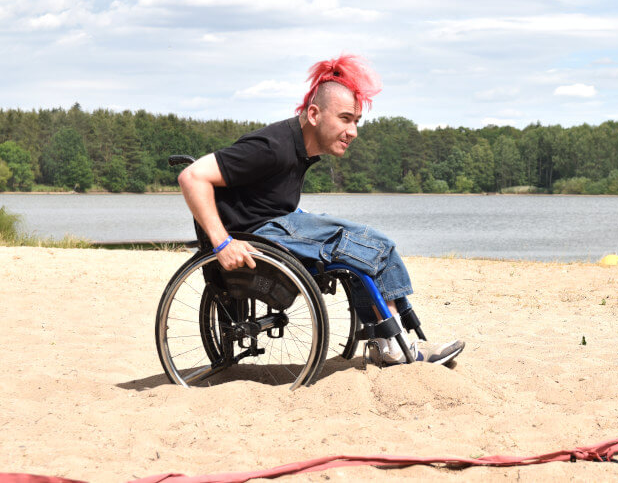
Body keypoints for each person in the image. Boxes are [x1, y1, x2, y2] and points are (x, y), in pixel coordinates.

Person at [177, 54, 464, 366]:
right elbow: (192, 176)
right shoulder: (272, 147)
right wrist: (222, 243)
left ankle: (396, 340)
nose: (353, 131)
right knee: (374, 245)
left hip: (274, 225)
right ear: (314, 114)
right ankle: (396, 346)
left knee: (365, 246)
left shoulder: (299, 149)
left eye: (356, 121)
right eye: (345, 119)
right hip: (259, 234)